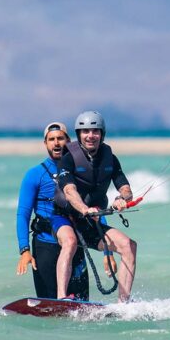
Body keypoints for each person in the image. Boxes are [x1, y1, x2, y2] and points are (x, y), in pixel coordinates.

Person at [53, 110, 138, 303]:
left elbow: (125, 187)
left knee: (129, 245)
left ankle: (123, 304)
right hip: (66, 217)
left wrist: (121, 199)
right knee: (70, 241)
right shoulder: (68, 158)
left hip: (91, 221)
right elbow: (69, 191)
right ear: (79, 134)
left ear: (102, 134)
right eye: (85, 131)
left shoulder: (110, 158)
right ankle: (61, 299)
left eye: (95, 131)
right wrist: (84, 209)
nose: (90, 135)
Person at [15, 122, 89, 300]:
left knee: (82, 305)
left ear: (69, 141)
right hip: (45, 246)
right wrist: (24, 250)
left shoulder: (80, 172)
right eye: (51, 139)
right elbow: (23, 214)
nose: (56, 143)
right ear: (46, 144)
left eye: (60, 138)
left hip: (74, 244)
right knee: (51, 303)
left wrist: (107, 254)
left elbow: (92, 209)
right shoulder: (35, 174)